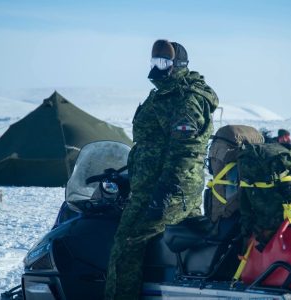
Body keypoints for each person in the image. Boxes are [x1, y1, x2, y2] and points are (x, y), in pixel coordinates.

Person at [104, 39, 219, 300]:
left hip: (168, 188)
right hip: (155, 185)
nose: (158, 68)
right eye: (155, 62)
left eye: (164, 62)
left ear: (178, 65)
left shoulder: (187, 100)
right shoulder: (165, 93)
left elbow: (185, 152)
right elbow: (153, 143)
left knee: (127, 245)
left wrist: (167, 190)